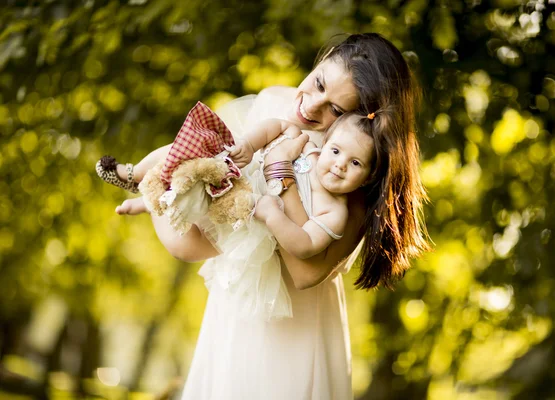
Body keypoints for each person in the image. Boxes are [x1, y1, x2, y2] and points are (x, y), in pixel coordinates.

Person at [99, 33, 429, 399]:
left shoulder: (347, 174)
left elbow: (305, 273)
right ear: (323, 58)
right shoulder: (276, 103)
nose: (311, 107)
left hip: (291, 326)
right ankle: (145, 186)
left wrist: (279, 173)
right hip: (236, 303)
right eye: (318, 83)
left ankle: (151, 190)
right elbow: (223, 175)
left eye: (336, 109)